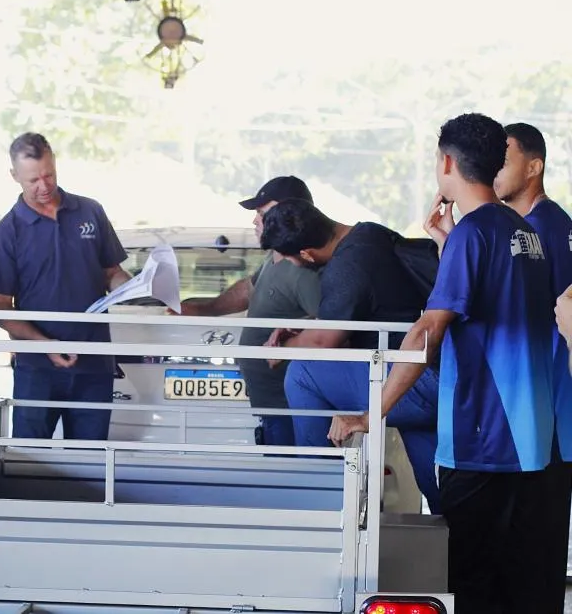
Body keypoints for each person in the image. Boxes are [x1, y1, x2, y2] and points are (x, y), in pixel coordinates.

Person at [329, 113, 555, 613]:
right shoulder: (523, 233)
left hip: (482, 438)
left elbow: (427, 332)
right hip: (529, 437)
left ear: (447, 162)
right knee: (515, 578)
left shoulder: (474, 235)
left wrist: (373, 413)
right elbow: (498, 303)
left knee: (471, 581)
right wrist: (447, 244)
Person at [260, 199, 440, 512]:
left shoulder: (346, 269)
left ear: (306, 253)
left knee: (302, 372)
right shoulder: (371, 235)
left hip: (414, 382)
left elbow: (323, 343)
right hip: (430, 375)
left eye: (288, 259)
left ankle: (320, 502)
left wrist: (282, 350)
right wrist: (301, 331)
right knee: (438, 487)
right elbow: (352, 314)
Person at [0, 132, 130, 440]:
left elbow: (110, 274)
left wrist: (139, 290)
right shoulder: (5, 234)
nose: (44, 186)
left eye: (49, 175)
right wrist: (46, 345)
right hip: (37, 369)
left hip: (95, 364)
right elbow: (1, 310)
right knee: (29, 463)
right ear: (14, 176)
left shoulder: (90, 211)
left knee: (91, 464)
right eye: (33, 180)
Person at [493, 121, 572, 611]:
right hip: (533, 412)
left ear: (534, 166)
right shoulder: (518, 229)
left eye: (504, 160)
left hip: (551, 413)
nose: (494, 171)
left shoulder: (547, 227)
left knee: (537, 550)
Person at [180, 176, 320, 446]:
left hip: (292, 408)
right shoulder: (277, 256)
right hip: (272, 407)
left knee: (291, 479)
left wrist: (291, 335)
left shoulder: (304, 269)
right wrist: (203, 309)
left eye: (261, 212)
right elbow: (250, 288)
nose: (255, 221)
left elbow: (331, 324)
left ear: (289, 213)